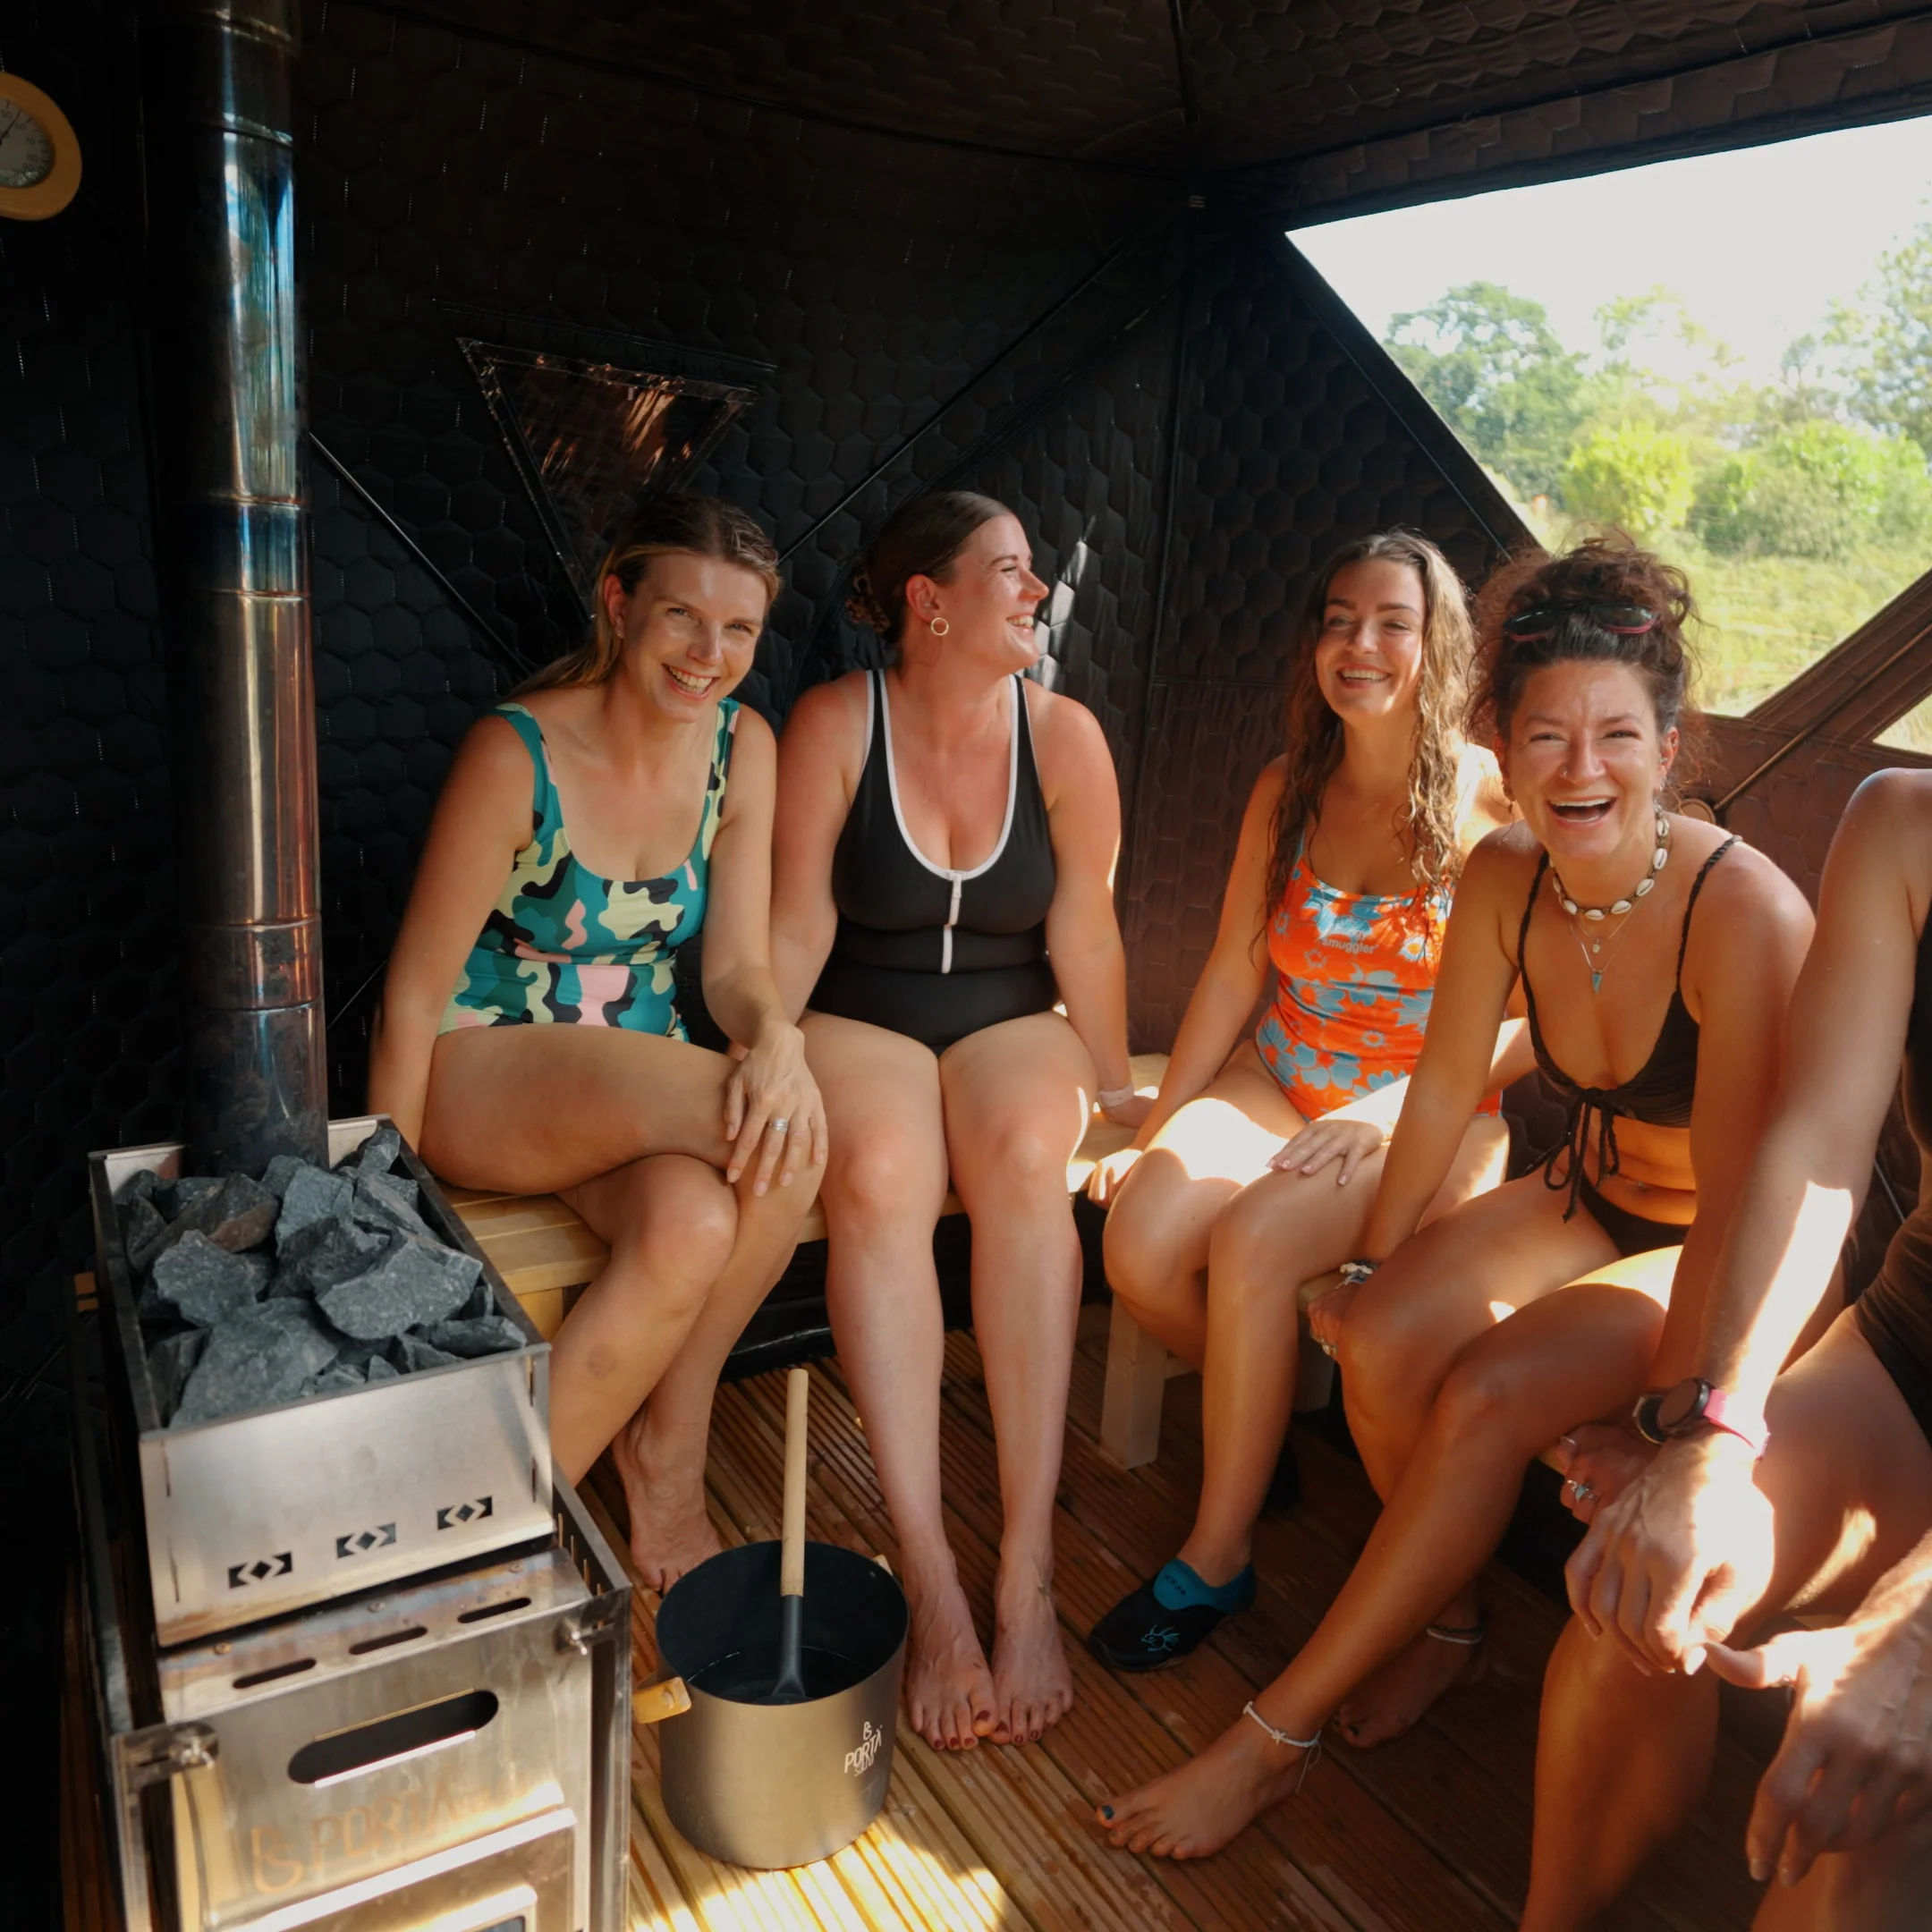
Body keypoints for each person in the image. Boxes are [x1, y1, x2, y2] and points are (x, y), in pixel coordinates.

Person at [1097, 534, 1813, 1860]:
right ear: (1505, 747)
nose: (1580, 769)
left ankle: (1270, 1741)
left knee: (1480, 1391)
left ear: (1668, 746)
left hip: (1711, 1244)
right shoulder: (1506, 872)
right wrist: (1370, 1265)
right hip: (1582, 1189)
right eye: (1547, 738)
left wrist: (1683, 1425)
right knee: (1372, 1338)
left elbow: (1749, 1205)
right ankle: (1450, 1622)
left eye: (1615, 736)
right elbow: (1435, 1096)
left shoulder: (1740, 911)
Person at [368, 493, 826, 1588]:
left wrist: (776, 1034)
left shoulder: (743, 748)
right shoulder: (514, 751)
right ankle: (672, 1459)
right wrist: (384, 1207)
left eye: (739, 629)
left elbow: (735, 970)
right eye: (682, 616)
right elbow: (411, 998)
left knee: (696, 1222)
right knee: (781, 1133)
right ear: (619, 604)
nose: (709, 655)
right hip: (484, 1066)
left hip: (629, 1084)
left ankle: (491, 1539)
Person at [1086, 530, 1520, 1671]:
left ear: (1440, 648)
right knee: (1138, 1246)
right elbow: (1236, 968)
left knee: (1252, 1241)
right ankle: (1260, 1416)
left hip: (1421, 1118)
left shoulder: (1492, 802)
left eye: (1391, 623)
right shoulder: (1289, 787)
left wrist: (1390, 1112)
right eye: (1338, 620)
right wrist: (1161, 1122)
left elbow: (1535, 1028)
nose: (1358, 644)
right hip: (1282, 1074)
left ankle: (1218, 1555)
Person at [769, 491, 1146, 1752]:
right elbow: (799, 922)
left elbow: (1086, 929)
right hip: (859, 1015)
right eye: (1011, 571)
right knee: (879, 1172)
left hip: (1011, 1016)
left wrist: (1119, 1087)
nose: (1036, 592)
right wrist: (764, 1047)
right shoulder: (836, 722)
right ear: (929, 602)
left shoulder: (1065, 735)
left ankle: (1025, 1571)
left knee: (1030, 1161)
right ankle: (928, 1575)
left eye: (1034, 572)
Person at [1527, 768, 1932, 1931]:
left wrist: (1919, 1624)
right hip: (1916, 1341)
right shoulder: (1906, 826)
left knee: (1861, 1842)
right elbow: (1818, 1146)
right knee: (1643, 1581)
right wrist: (1713, 1433)